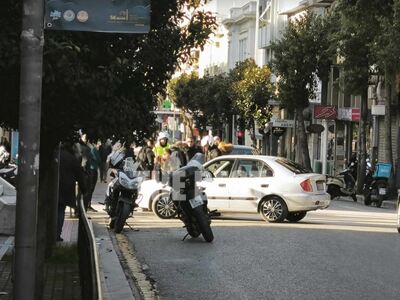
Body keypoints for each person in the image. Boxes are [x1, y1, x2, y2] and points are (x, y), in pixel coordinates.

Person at [57, 142, 86, 242]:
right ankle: (57, 234)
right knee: (60, 211)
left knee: (54, 210)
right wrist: (84, 189)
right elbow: (79, 176)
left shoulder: (55, 155)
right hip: (65, 188)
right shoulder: (72, 158)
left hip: (53, 188)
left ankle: (52, 234)